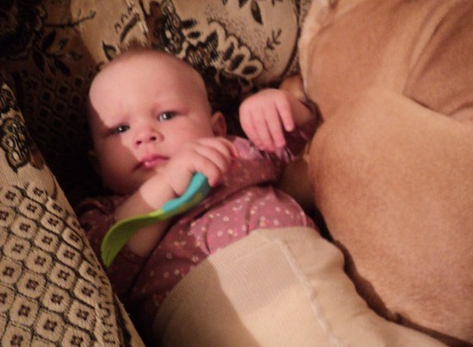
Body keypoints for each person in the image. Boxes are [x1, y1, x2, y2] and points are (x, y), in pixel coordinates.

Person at [79, 48, 439, 346]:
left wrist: (282, 107)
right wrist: (163, 187)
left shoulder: (237, 153)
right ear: (96, 166)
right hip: (214, 319)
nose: (145, 134)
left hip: (324, 290)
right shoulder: (105, 213)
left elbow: (306, 141)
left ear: (216, 129)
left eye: (166, 114)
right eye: (120, 129)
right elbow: (103, 267)